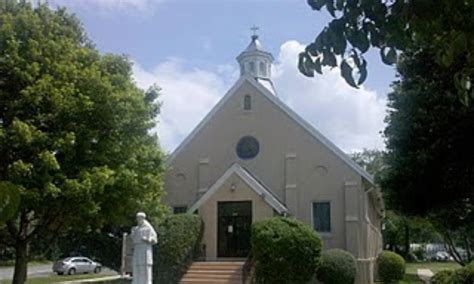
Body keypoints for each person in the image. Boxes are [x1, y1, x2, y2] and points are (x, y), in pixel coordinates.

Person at [131, 212, 157, 284]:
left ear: (143, 218)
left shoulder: (148, 228)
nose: (138, 220)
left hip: (145, 249)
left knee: (145, 267)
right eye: (137, 218)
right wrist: (133, 235)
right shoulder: (136, 229)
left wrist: (148, 239)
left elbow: (155, 239)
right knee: (136, 266)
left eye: (139, 218)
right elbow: (133, 240)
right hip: (137, 249)